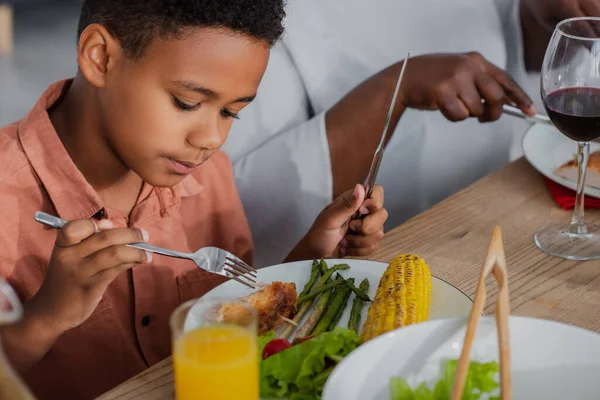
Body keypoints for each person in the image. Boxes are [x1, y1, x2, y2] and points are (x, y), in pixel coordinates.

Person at [0, 1, 389, 399]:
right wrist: (46, 318)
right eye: (187, 103)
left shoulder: (207, 175)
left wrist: (314, 258)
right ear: (100, 58)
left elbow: (234, 318)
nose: (211, 138)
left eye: (230, 113)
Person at [223, 0, 600, 267]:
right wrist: (398, 86)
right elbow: (246, 201)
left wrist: (539, 16)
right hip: (369, 261)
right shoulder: (266, 19)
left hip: (485, 227)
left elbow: (525, 61)